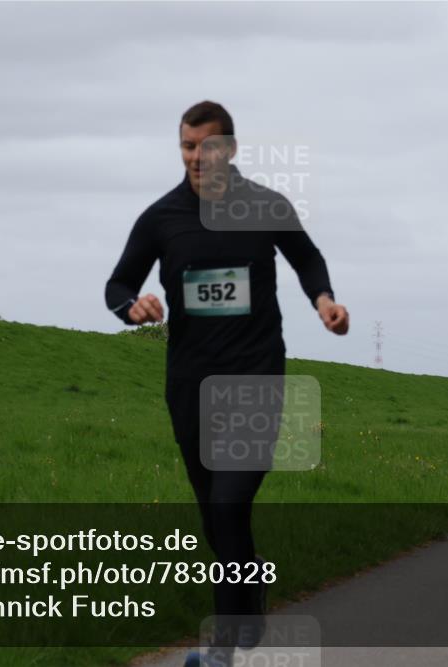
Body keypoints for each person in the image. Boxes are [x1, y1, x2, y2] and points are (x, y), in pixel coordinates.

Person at [104, 101, 349, 667]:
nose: (196, 157)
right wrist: (130, 306)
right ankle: (249, 604)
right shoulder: (161, 218)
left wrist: (325, 301)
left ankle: (222, 645)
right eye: (187, 147)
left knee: (230, 500)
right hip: (190, 385)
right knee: (214, 513)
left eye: (207, 147)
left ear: (230, 149)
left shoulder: (265, 206)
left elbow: (307, 258)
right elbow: (118, 281)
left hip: (255, 377)